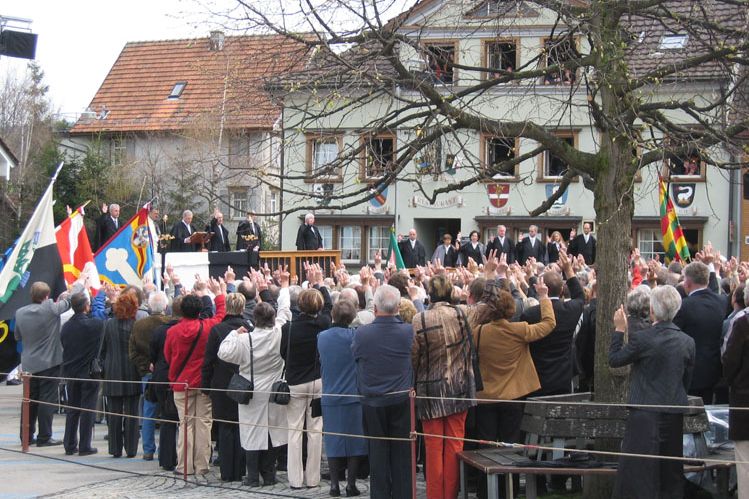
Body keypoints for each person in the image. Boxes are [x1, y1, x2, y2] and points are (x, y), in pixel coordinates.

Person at [472, 276, 555, 499]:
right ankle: (510, 490)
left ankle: (485, 492)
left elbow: (470, 318)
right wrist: (544, 298)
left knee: (486, 446)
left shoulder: (478, 332)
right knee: (511, 444)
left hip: (486, 396)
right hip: (513, 396)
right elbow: (548, 324)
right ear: (510, 310)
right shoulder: (519, 329)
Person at [609, 286, 695, 499]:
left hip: (645, 411)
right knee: (669, 471)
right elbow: (687, 380)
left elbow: (615, 359)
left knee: (640, 472)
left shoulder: (643, 339)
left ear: (653, 310)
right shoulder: (687, 342)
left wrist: (619, 331)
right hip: (672, 410)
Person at [219, 272, 291, 487]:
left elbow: (223, 352)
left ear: (254, 320)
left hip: (251, 389)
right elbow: (285, 312)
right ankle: (268, 474)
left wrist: (234, 334)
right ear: (271, 318)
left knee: (251, 432)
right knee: (271, 432)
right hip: (273, 387)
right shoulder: (279, 333)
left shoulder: (244, 339)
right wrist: (285, 286)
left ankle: (252, 476)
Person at [412, 274, 477, 499]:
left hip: (430, 391)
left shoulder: (419, 319)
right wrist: (490, 273)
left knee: (432, 447)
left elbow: (414, 358)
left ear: (430, 294)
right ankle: (449, 495)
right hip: (458, 389)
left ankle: (435, 496)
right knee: (454, 446)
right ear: (451, 292)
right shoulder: (463, 313)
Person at [352, 284, 413, 499]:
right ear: (398, 307)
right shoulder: (407, 331)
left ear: (375, 308)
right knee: (402, 454)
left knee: (378, 454)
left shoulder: (362, 333)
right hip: (400, 399)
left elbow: (357, 357)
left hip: (374, 400)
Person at [164, 277, 227, 479]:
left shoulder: (173, 331)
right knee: (204, 423)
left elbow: (167, 355)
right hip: (203, 381)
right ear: (199, 311)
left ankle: (185, 465)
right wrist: (218, 293)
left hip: (181, 383)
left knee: (186, 424)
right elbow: (221, 315)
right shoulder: (207, 326)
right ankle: (202, 464)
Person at [280, 265, 331, 489]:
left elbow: (283, 353)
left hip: (295, 382)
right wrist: (320, 283)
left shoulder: (288, 328)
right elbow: (329, 306)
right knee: (315, 430)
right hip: (318, 381)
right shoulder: (323, 323)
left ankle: (295, 479)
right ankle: (313, 478)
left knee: (294, 431)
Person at [14, 280, 79, 446]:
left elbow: (18, 337)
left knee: (29, 400)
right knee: (46, 400)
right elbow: (70, 301)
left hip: (29, 363)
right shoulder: (50, 307)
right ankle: (45, 436)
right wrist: (80, 283)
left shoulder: (20, 312)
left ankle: (26, 436)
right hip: (49, 362)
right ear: (47, 296)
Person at [318, 300, 368, 497]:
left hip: (330, 395)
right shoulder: (355, 336)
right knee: (355, 442)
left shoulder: (321, 337)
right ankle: (351, 484)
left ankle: (334, 485)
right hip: (353, 395)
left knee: (333, 441)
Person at [201, 292, 252, 482]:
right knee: (241, 426)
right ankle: (240, 469)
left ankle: (227, 471)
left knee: (224, 427)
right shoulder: (249, 328)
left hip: (222, 384)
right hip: (244, 382)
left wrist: (205, 386)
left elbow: (208, 361)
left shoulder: (217, 329)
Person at [522, 250, 584, 396]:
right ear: (562, 290)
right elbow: (580, 296)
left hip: (537, 375)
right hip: (562, 375)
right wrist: (568, 270)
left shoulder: (530, 313)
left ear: (539, 289)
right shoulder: (570, 309)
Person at [673, 261, 725, 405]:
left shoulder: (683, 306)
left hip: (690, 373)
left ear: (687, 283)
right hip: (715, 371)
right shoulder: (722, 302)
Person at [128, 291, 170, 461]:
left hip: (147, 373)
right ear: (165, 307)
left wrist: (144, 367)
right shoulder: (170, 324)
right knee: (168, 412)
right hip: (167, 372)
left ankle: (148, 449)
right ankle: (166, 449)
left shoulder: (139, 325)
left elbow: (133, 352)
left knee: (148, 413)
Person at [60, 292, 103, 456]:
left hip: (71, 371)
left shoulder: (66, 327)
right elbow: (101, 320)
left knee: (72, 409)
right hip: (89, 372)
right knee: (88, 409)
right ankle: (85, 445)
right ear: (87, 306)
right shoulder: (94, 325)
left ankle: (69, 444)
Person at [101, 292, 142, 458]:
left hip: (112, 371)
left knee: (114, 413)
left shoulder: (109, 324)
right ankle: (131, 448)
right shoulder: (136, 325)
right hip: (132, 372)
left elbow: (102, 350)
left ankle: (115, 448)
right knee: (132, 413)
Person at [150, 296, 183, 472]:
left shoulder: (159, 331)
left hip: (162, 375)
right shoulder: (178, 330)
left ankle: (167, 458)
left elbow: (153, 354)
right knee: (183, 419)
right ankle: (183, 456)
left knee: (167, 418)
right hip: (177, 375)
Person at [722, 285, 749, 496]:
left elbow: (729, 361)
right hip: (743, 400)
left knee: (746, 464)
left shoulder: (742, 323)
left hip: (744, 398)